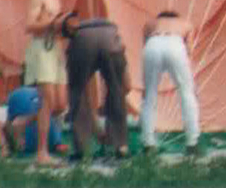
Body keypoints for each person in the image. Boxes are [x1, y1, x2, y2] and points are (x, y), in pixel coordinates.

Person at [22, 0, 76, 166]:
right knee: (48, 100)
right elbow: (29, 25)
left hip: (55, 49)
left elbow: (54, 25)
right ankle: (41, 153)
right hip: (42, 48)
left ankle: (18, 125)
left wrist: (65, 28)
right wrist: (53, 24)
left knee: (60, 104)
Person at [60, 13, 128, 160]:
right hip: (110, 34)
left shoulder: (74, 30)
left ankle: (82, 148)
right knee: (116, 89)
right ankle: (120, 145)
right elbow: (126, 86)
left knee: (77, 92)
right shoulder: (112, 29)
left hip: (82, 38)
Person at [140, 10, 200, 156]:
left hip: (152, 45)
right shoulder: (185, 23)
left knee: (149, 96)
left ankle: (148, 143)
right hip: (175, 44)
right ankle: (192, 142)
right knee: (187, 94)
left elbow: (145, 44)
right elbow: (189, 49)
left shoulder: (150, 24)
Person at [0, 87, 64, 157]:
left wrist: (5, 145)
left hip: (39, 141)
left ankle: (5, 148)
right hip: (51, 143)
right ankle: (6, 146)